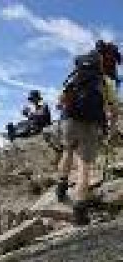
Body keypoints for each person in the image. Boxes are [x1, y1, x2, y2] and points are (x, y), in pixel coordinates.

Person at [55, 42, 119, 225]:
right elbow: (114, 110)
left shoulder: (78, 74)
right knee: (84, 165)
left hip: (69, 119)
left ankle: (61, 188)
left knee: (67, 152)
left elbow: (60, 101)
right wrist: (111, 130)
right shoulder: (106, 82)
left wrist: (65, 109)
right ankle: (80, 211)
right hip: (90, 124)